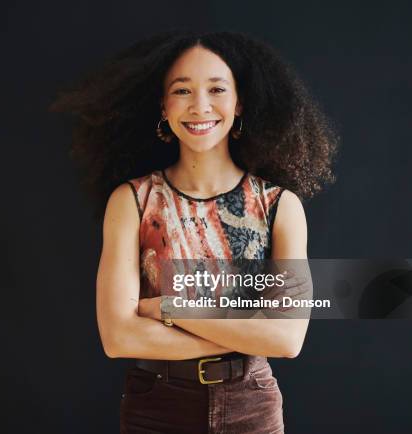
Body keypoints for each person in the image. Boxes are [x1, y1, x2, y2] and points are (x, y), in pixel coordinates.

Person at [52, 30, 337, 434]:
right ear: (163, 106)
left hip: (250, 406)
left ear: (239, 103)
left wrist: (168, 308)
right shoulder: (132, 201)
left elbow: (288, 338)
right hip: (156, 406)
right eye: (182, 90)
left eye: (217, 89)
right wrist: (249, 334)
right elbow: (118, 338)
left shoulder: (279, 206)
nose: (200, 106)